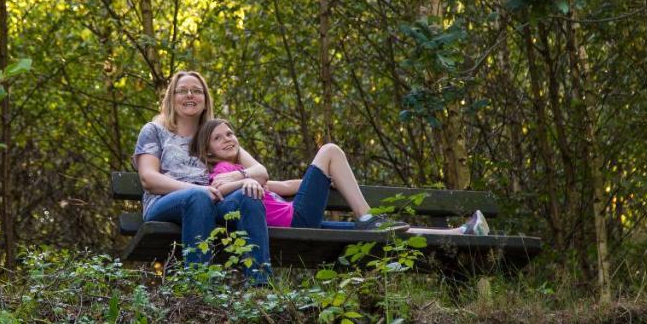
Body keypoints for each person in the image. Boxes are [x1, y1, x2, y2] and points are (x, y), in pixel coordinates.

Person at [192, 118, 490, 236]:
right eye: (219, 139)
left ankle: (457, 233)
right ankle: (365, 215)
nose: (229, 139)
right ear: (210, 154)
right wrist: (326, 166)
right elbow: (249, 179)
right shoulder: (221, 174)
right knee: (330, 150)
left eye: (231, 133)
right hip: (296, 221)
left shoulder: (234, 171)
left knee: (382, 232)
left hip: (299, 220)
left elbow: (285, 186)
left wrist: (322, 180)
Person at [133, 71, 273, 284]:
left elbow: (261, 172)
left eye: (197, 91)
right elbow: (148, 179)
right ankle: (200, 288)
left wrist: (241, 176)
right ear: (172, 98)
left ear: (205, 99)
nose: (190, 95)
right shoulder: (154, 130)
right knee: (198, 198)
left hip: (213, 200)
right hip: (164, 202)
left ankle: (260, 285)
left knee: (248, 195)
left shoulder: (213, 134)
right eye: (182, 91)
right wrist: (196, 189)